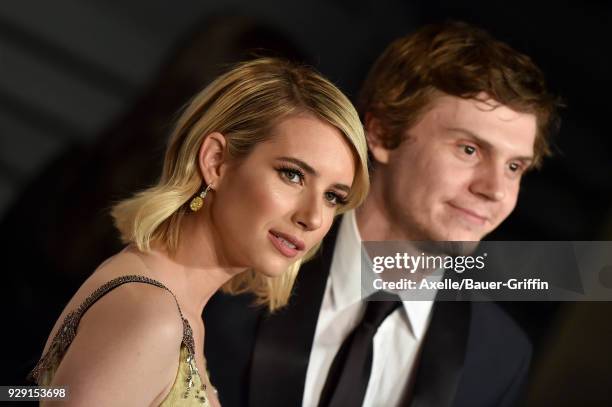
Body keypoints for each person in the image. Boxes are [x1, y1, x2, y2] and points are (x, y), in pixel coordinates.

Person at [203, 21, 561, 406]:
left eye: (514, 167)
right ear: (381, 134)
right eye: (469, 150)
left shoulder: (500, 359)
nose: (494, 190)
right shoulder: (225, 269)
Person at [28, 57, 370, 406]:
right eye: (292, 175)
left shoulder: (175, 310)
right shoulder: (151, 316)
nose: (313, 217)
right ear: (216, 161)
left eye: (332, 196)